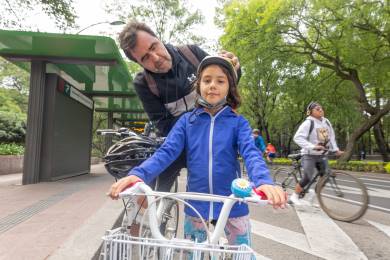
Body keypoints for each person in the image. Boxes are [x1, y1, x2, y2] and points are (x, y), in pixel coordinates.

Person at [108, 56, 287, 247]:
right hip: (196, 205)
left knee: (241, 252)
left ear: (230, 87)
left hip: (232, 205)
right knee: (192, 254)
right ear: (198, 85)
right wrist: (138, 174)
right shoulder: (186, 121)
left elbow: (251, 153)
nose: (212, 85)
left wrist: (264, 182)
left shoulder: (238, 122)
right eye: (207, 80)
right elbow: (166, 151)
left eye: (220, 81)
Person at [118, 21, 241, 192]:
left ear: (158, 39)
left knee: (220, 190)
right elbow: (163, 125)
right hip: (176, 142)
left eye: (154, 47)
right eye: (145, 58)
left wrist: (235, 68)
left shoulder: (192, 53)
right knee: (151, 194)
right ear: (139, 64)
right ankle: (146, 216)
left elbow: (226, 82)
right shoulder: (143, 83)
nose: (155, 58)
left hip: (212, 139)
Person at [291, 102, 344, 205]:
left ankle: (313, 194)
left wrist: (336, 149)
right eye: (317, 109)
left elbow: (331, 137)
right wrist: (312, 146)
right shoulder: (308, 123)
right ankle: (294, 196)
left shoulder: (326, 122)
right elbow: (297, 138)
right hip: (309, 155)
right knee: (308, 177)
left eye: (321, 108)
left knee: (325, 177)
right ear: (310, 112)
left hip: (322, 155)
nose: (321, 110)